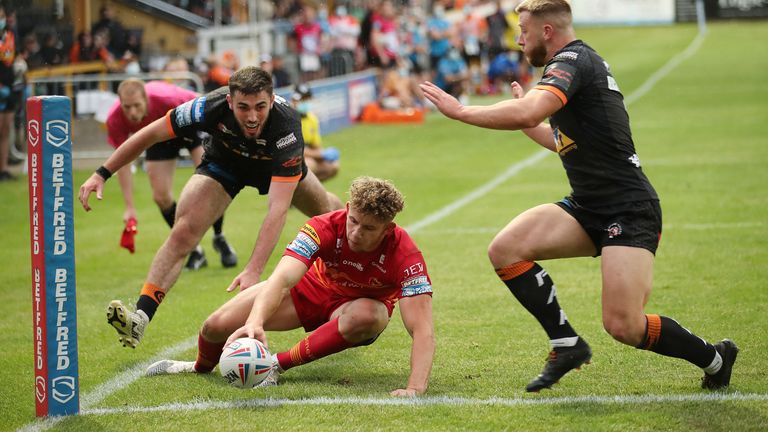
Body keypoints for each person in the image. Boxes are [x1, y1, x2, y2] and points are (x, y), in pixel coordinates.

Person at [420, 0, 738, 392]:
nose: (519, 40)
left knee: (624, 325)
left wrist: (462, 111)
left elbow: (530, 114)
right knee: (506, 249)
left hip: (629, 208)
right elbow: (562, 141)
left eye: (523, 30)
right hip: (587, 206)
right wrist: (526, 118)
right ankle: (566, 343)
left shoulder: (571, 61)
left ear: (547, 31)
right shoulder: (572, 66)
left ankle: (716, 357)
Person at [79, 66, 343, 349]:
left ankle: (345, 260)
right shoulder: (208, 106)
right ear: (229, 102)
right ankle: (140, 318)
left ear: (271, 98)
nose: (252, 117)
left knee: (327, 215)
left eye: (260, 107)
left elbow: (277, 209)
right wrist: (102, 173)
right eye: (243, 107)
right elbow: (149, 135)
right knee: (183, 232)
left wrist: (254, 269)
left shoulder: (286, 126)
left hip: (273, 167)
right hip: (225, 164)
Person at [144, 177, 435, 397]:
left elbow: (421, 328)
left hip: (356, 308)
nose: (356, 233)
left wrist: (414, 388)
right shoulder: (324, 226)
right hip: (311, 290)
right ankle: (196, 368)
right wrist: (254, 322)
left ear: (388, 229)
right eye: (354, 221)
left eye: (369, 228)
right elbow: (283, 278)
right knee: (214, 326)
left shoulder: (405, 255)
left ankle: (275, 366)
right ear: (347, 210)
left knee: (369, 316)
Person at [105, 78, 237, 269]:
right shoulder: (115, 118)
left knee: (213, 181)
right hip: (158, 135)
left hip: (190, 124)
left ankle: (219, 238)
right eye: (127, 107)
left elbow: (205, 105)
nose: (132, 113)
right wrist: (129, 207)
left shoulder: (168, 98)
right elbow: (123, 163)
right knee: (161, 197)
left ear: (146, 99)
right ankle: (194, 249)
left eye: (136, 106)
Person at [291, 83, 339, 181]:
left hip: (306, 156)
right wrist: (321, 155)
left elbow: (316, 146)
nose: (305, 102)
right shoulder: (289, 118)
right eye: (302, 99)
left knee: (333, 166)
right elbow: (294, 150)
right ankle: (300, 192)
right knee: (310, 165)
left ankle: (311, 192)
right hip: (290, 157)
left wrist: (323, 154)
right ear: (294, 100)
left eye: (307, 99)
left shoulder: (312, 119)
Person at [0, 5, 16, 181]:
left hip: (9, 87)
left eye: (2, 16)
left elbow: (12, 57)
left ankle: (3, 169)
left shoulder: (10, 34)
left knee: (5, 130)